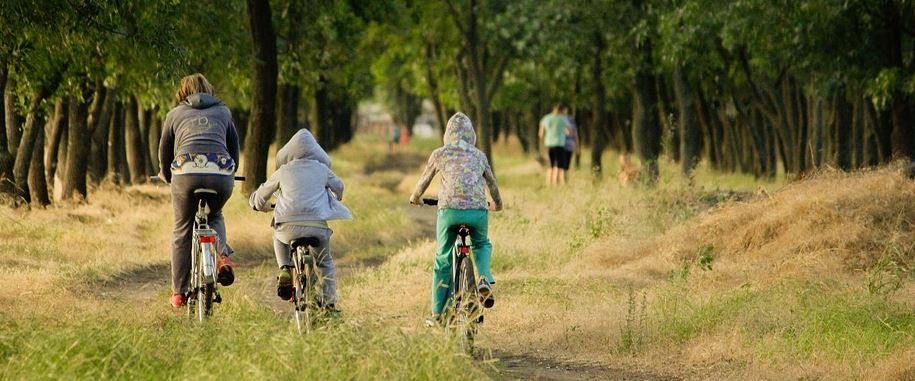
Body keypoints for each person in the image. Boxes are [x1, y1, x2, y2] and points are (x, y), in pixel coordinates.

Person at [409, 112, 503, 323]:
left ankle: (437, 314)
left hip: (449, 212)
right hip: (478, 212)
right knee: (481, 243)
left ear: (447, 134)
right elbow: (492, 185)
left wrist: (415, 198)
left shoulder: (440, 154)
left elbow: (423, 182)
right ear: (472, 135)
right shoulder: (480, 156)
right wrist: (497, 204)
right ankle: (484, 278)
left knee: (443, 257)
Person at [159, 73, 239, 308]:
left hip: (185, 173)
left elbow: (165, 153)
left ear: (182, 93)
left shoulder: (174, 115)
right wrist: (230, 171)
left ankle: (179, 292)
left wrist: (166, 175)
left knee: (182, 229)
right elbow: (234, 149)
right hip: (221, 173)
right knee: (215, 215)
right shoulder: (224, 112)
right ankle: (222, 255)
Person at [249, 129, 351, 310]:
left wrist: (256, 204)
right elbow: (339, 188)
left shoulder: (283, 170)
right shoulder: (322, 169)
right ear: (317, 152)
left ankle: (284, 269)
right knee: (325, 263)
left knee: (278, 238)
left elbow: (261, 196)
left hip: (288, 227)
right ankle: (329, 304)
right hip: (316, 226)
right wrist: (336, 197)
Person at [538, 104, 571, 186]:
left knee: (550, 165)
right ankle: (556, 183)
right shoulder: (563, 119)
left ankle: (549, 184)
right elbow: (568, 132)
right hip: (559, 143)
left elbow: (541, 134)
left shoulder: (546, 118)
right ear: (561, 110)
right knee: (558, 165)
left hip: (549, 144)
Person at [561, 105, 579, 177]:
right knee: (559, 165)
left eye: (565, 109)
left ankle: (564, 181)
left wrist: (577, 144)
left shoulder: (571, 119)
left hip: (569, 145)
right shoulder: (557, 119)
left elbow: (574, 133)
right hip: (559, 145)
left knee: (566, 166)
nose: (564, 111)